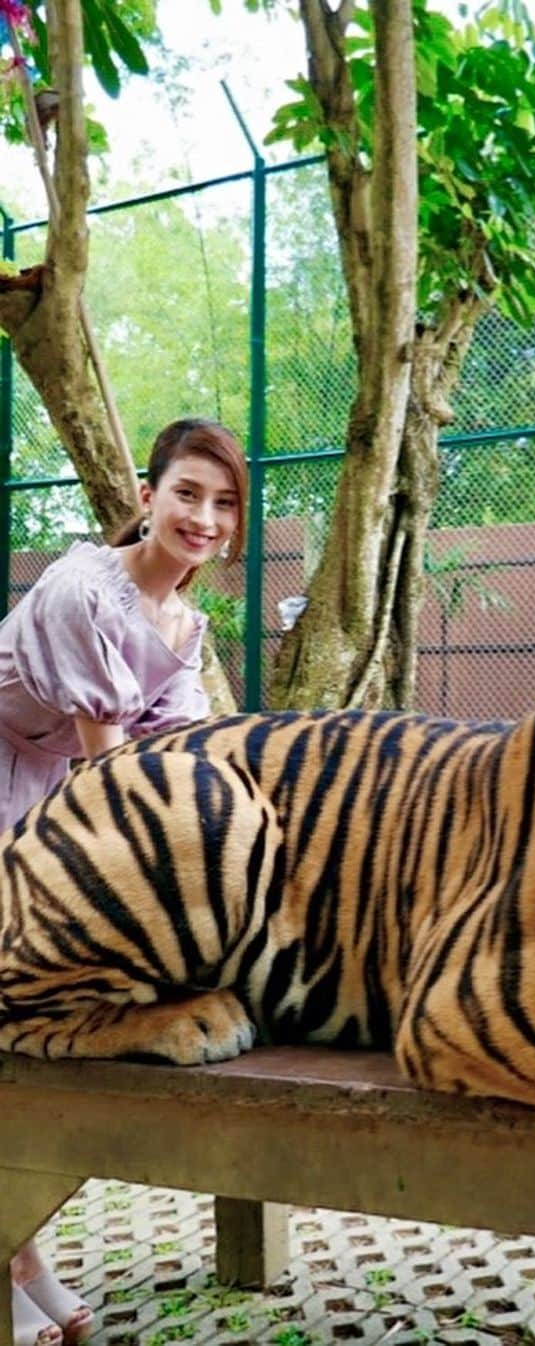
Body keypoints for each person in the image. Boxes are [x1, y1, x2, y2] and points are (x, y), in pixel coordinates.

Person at [0, 418, 248, 1346]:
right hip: (18, 779)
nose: (204, 515)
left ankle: (24, 1256)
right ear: (146, 498)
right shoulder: (82, 589)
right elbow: (119, 782)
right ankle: (14, 1264)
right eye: (187, 492)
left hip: (44, 793)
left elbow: (179, 763)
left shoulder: (185, 626)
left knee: (25, 1040)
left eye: (223, 504)